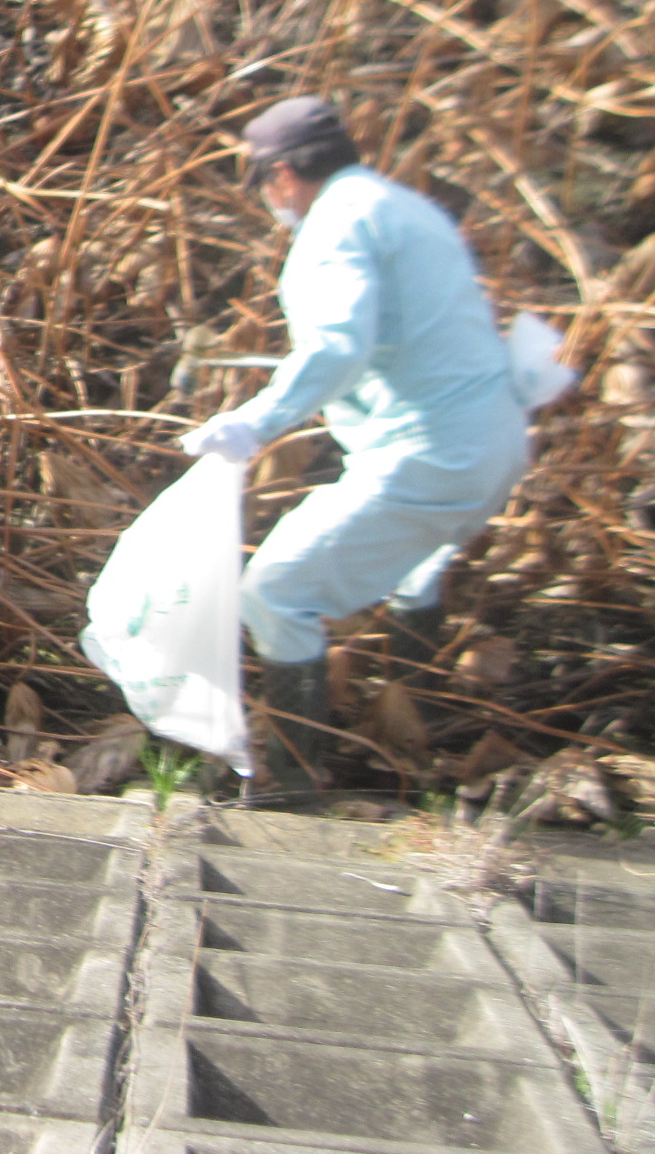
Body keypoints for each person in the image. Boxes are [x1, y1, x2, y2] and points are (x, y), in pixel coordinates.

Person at [181, 96, 530, 796]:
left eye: (265, 186)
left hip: (430, 453)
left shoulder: (334, 224)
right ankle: (416, 739)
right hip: (493, 437)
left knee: (278, 591)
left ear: (281, 175)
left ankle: (290, 776)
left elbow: (339, 344)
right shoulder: (406, 207)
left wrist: (258, 421)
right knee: (416, 569)